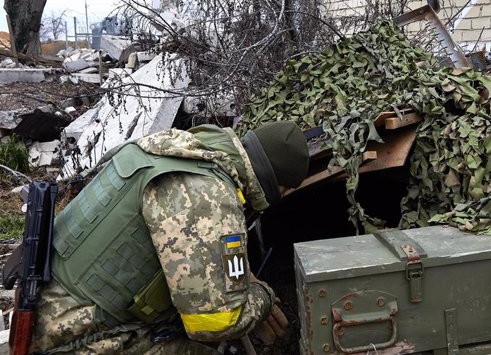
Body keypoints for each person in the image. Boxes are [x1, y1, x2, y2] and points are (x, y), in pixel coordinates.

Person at [29, 121, 309, 354]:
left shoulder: (176, 150)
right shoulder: (209, 196)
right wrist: (263, 297)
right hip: (77, 335)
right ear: (276, 184)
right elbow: (217, 322)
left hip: (51, 305)